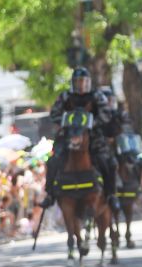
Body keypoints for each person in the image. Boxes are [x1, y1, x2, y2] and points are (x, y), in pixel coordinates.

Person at [39, 67, 120, 212]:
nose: (81, 85)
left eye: (83, 81)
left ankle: (111, 195)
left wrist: (93, 123)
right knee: (53, 161)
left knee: (109, 163)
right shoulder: (65, 96)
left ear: (88, 82)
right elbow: (54, 114)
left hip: (93, 137)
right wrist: (66, 122)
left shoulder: (97, 96)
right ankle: (50, 194)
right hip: (68, 137)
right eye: (78, 82)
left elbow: (106, 114)